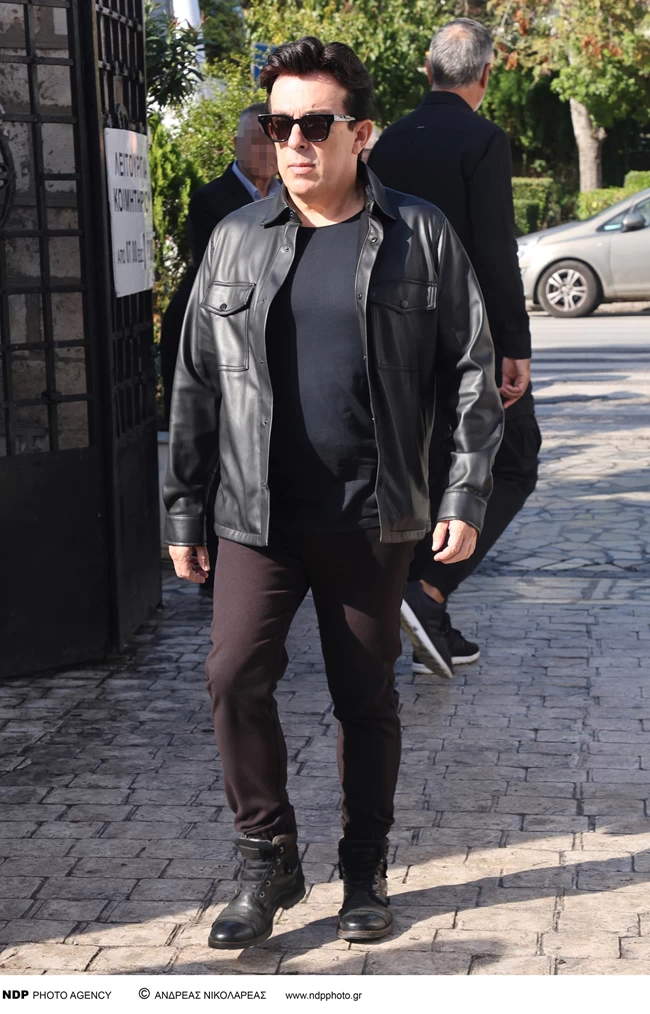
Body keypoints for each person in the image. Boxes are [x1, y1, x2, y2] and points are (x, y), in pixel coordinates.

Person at [163, 36, 503, 949]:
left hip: (371, 512)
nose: (295, 143)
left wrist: (463, 495)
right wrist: (183, 506)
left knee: (366, 695)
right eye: (279, 125)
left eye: (316, 125)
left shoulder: (420, 234)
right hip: (257, 514)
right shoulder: (236, 239)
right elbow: (195, 380)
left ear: (362, 133)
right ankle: (266, 861)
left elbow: (472, 370)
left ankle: (364, 869)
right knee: (233, 674)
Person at [369, 17, 541, 680]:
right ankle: (428, 592)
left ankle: (424, 611)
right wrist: (514, 345)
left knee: (427, 467)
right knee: (514, 459)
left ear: (427, 67)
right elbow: (495, 251)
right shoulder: (483, 140)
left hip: (396, 334)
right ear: (487, 75)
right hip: (468, 336)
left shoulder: (385, 142)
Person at [160, 102, 280, 593]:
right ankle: (213, 562)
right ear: (236, 144)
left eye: (270, 139)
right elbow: (224, 278)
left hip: (268, 339)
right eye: (257, 140)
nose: (266, 151)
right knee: (214, 444)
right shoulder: (213, 200)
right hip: (215, 335)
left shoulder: (290, 196)